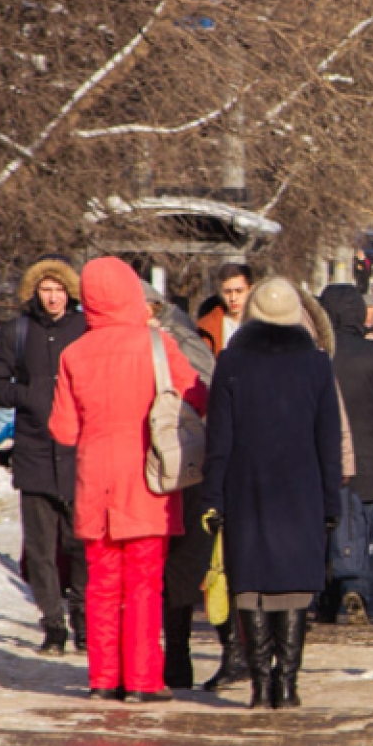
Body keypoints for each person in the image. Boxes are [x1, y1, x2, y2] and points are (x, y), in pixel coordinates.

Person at [48, 257, 208, 703]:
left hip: (95, 484)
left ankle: (103, 678)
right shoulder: (156, 344)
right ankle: (141, 680)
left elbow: (62, 429)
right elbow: (197, 396)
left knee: (101, 583)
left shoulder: (73, 353)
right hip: (148, 482)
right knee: (143, 583)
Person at [201, 278, 343, 710]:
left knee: (251, 583)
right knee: (296, 585)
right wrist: (331, 502)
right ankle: (288, 684)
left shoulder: (230, 362)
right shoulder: (317, 364)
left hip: (246, 486)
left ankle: (260, 686)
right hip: (302, 489)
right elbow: (328, 441)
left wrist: (213, 497)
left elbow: (218, 439)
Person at [0, 256, 89, 655]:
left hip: (79, 453)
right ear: (34, 292)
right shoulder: (18, 331)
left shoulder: (85, 327)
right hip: (35, 452)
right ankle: (53, 625)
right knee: (42, 548)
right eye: (46, 289)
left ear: (70, 293)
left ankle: (83, 621)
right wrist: (27, 396)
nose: (53, 297)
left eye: (59, 289)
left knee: (80, 544)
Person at [141, 282, 219, 692]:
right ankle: (166, 659)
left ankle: (167, 658)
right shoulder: (161, 341)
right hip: (168, 464)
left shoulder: (176, 338)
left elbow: (203, 390)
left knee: (171, 565)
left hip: (174, 465)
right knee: (163, 565)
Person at [318, 285, 373, 625]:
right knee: (364, 529)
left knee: (325, 528)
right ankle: (358, 589)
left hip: (323, 459)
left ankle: (325, 599)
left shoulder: (316, 356)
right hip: (369, 459)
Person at [195, 263, 254, 356]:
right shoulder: (208, 328)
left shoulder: (263, 324)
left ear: (250, 290)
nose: (233, 298)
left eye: (239, 291)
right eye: (227, 292)